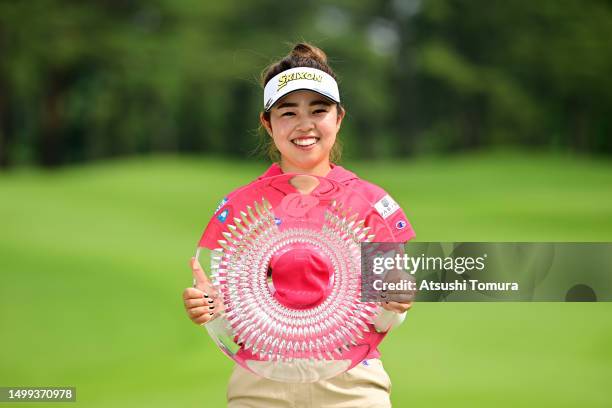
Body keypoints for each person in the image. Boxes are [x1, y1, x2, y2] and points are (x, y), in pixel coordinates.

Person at [182, 42, 415, 407]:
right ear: (267, 123)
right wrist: (211, 309)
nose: (304, 125)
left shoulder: (368, 204)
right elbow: (234, 326)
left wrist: (395, 301)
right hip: (260, 387)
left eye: (318, 110)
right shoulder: (245, 209)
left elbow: (383, 323)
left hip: (351, 386)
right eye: (287, 113)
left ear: (338, 118)